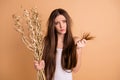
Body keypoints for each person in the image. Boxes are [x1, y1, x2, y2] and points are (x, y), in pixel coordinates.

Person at [34, 8, 87, 80]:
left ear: (68, 22)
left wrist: (78, 50)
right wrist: (39, 68)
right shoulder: (46, 42)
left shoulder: (74, 41)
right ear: (53, 25)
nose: (61, 26)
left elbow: (75, 69)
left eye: (64, 21)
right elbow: (43, 68)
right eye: (57, 23)